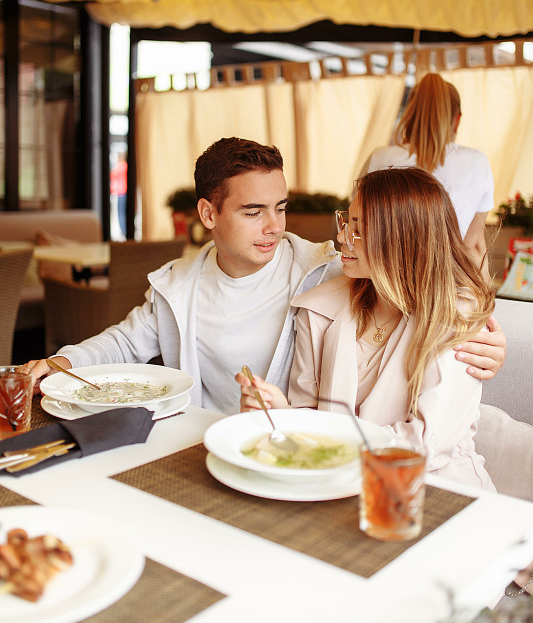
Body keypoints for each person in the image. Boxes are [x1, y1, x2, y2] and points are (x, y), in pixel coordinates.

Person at [22, 138, 505, 415]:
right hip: (200, 441)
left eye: (280, 207)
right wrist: (61, 363)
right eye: (253, 212)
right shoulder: (178, 287)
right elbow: (124, 345)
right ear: (208, 214)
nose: (274, 226)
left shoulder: (326, 269)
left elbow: (415, 273)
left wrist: (485, 332)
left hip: (281, 446)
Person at [238, 168, 496, 488]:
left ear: (402, 237)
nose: (342, 237)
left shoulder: (458, 316)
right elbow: (307, 417)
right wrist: (282, 412)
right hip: (341, 484)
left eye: (358, 229)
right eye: (346, 221)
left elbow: (426, 444)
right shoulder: (316, 310)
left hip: (440, 490)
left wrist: (322, 436)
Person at [363, 73, 494, 280]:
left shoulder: (379, 158)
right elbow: (474, 245)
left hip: (386, 285)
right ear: (457, 119)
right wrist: (484, 302)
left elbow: (361, 228)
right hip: (446, 288)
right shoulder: (476, 162)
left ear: (411, 113)